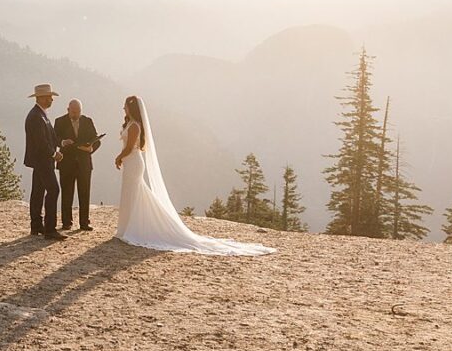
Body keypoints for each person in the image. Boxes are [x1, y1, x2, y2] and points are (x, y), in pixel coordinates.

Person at [113, 95, 274, 256]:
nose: (123, 108)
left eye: (125, 106)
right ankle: (127, 227)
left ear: (131, 107)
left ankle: (132, 228)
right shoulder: (131, 123)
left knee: (134, 193)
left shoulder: (134, 126)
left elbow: (129, 148)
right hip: (131, 163)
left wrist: (119, 157)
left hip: (133, 162)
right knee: (131, 194)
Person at [23, 84, 65, 241]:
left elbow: (50, 138)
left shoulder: (40, 115)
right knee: (53, 190)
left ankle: (37, 225)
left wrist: (61, 143)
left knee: (38, 191)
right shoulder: (36, 117)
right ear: (40, 98)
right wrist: (54, 154)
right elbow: (41, 142)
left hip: (41, 161)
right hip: (43, 160)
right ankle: (50, 228)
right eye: (49, 97)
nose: (51, 99)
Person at [54, 98, 102, 232]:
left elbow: (96, 140)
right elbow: (53, 139)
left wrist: (90, 148)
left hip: (84, 163)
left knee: (84, 193)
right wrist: (63, 142)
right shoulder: (59, 121)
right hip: (66, 163)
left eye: (78, 112)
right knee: (66, 193)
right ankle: (66, 222)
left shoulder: (88, 121)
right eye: (73, 112)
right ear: (68, 110)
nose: (75, 114)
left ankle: (84, 222)